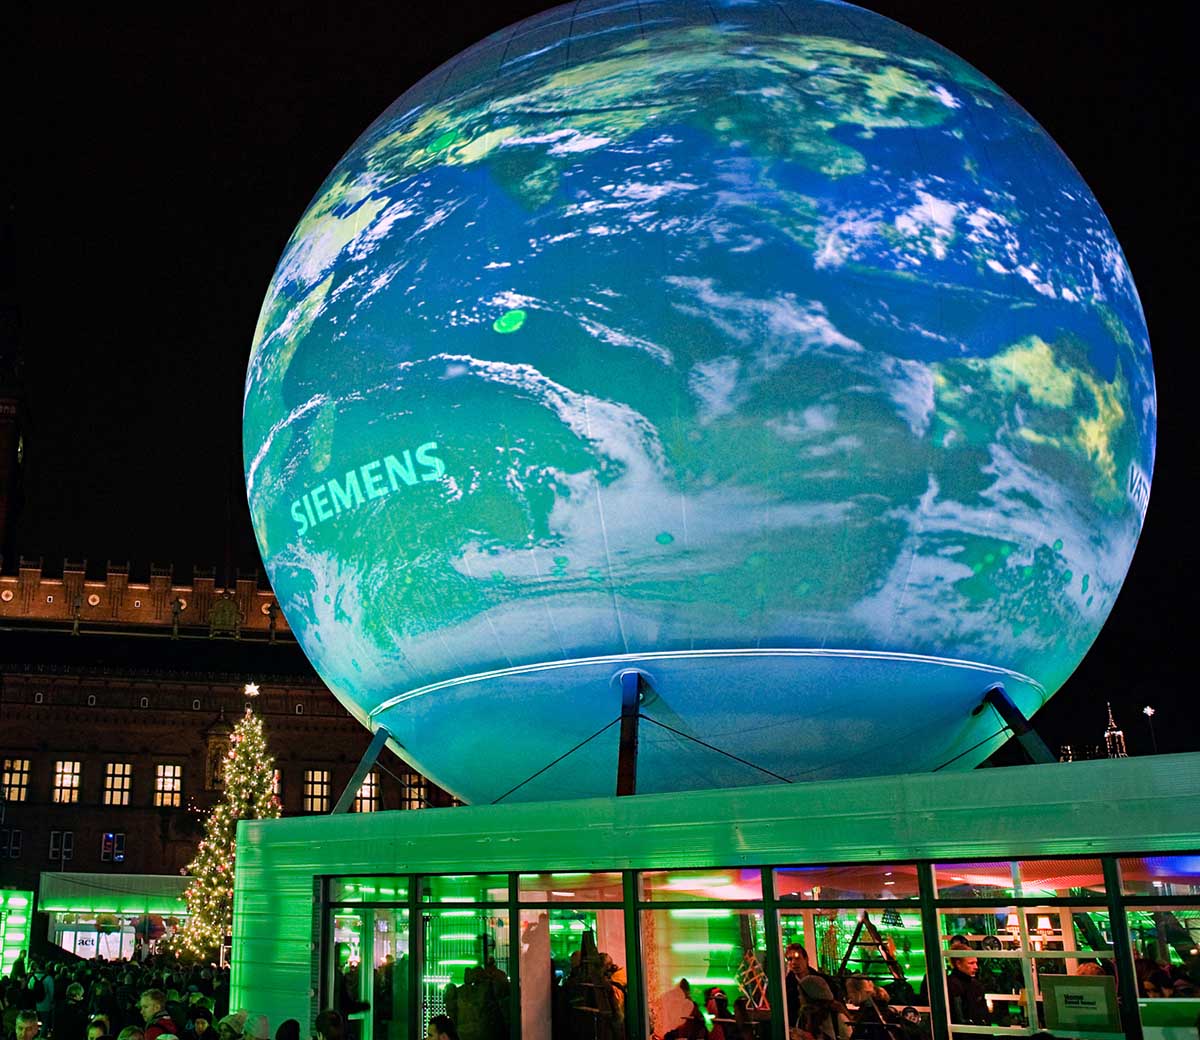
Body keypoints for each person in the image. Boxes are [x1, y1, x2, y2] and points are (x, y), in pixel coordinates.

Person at [785, 944, 843, 1030]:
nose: (794, 962)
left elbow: (836, 1003)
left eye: (797, 958)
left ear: (806, 959)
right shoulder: (786, 986)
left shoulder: (823, 981)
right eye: (790, 959)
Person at [945, 949, 988, 1027]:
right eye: (971, 963)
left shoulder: (976, 984)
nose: (976, 967)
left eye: (976, 963)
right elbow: (959, 1018)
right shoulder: (952, 985)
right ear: (958, 964)